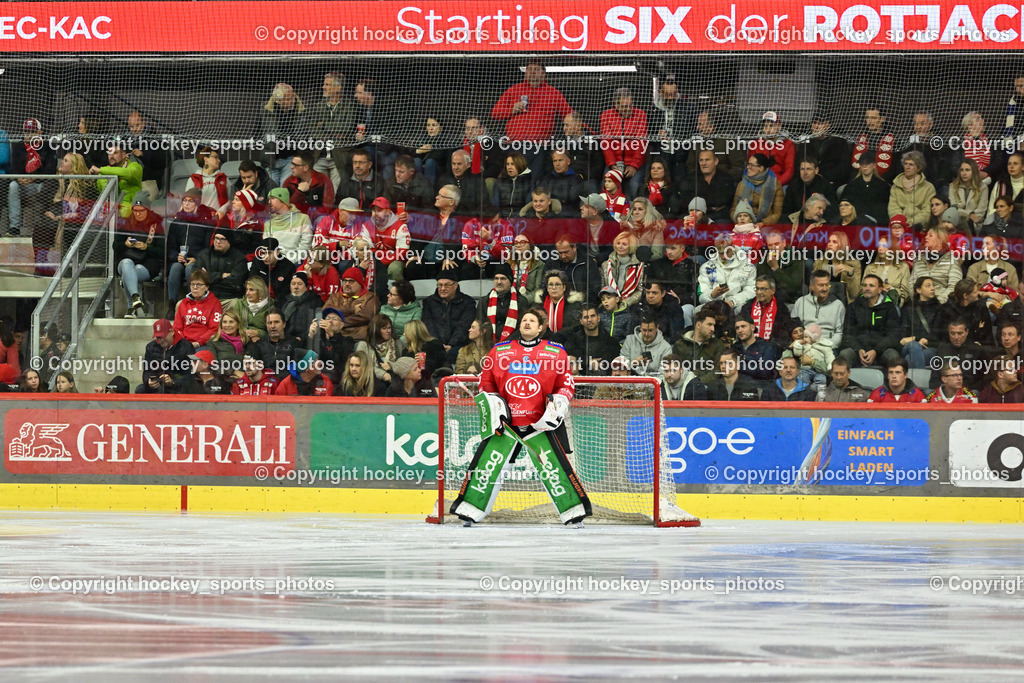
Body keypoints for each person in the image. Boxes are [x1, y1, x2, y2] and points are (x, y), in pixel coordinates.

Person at [449, 308, 589, 527]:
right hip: (507, 423)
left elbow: (566, 384)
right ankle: (470, 510)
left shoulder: (556, 352)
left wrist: (559, 404)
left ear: (541, 327)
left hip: (540, 423)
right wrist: (493, 406)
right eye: (524, 320)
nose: (527, 323)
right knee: (488, 467)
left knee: (554, 469)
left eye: (532, 321)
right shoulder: (499, 351)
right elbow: (486, 384)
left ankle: (573, 514)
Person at [490, 59, 571, 147]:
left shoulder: (553, 93)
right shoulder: (514, 90)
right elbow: (495, 113)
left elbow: (569, 116)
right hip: (514, 143)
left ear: (543, 74)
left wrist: (584, 131)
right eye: (529, 69)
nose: (532, 72)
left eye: (536, 69)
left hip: (541, 145)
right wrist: (512, 110)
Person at [838, 274, 902, 368]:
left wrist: (876, 351)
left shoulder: (889, 308)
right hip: (858, 350)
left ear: (880, 289)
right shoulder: (853, 307)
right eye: (865, 285)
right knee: (844, 355)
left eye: (871, 286)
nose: (867, 288)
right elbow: (848, 334)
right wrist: (858, 349)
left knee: (893, 357)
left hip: (882, 350)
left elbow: (894, 336)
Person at [599, 87, 649, 198]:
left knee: (634, 186)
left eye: (630, 105)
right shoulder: (606, 116)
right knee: (606, 186)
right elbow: (606, 143)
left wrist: (634, 166)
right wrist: (612, 164)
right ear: (616, 105)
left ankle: (632, 213)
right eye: (624, 106)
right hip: (614, 163)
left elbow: (641, 143)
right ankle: (608, 212)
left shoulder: (641, 115)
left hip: (635, 162)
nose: (628, 109)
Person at [422, 270, 477, 365]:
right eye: (440, 285)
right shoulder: (429, 302)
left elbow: (464, 326)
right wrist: (438, 345)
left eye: (447, 285)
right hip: (435, 344)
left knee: (453, 353)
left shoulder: (468, 302)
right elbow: (428, 325)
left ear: (455, 286)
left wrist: (451, 345)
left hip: (458, 344)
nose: (442, 288)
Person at [262, 83, 309, 186]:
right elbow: (257, 134)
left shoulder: (302, 111)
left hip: (290, 158)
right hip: (271, 159)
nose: (293, 100)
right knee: (271, 188)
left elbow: (306, 134)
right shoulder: (266, 112)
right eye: (288, 99)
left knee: (285, 186)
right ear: (278, 101)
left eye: (293, 96)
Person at [698, 233, 756, 311]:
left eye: (726, 252)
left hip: (737, 305)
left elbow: (751, 290)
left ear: (732, 247)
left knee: (741, 310)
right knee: (697, 310)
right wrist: (712, 295)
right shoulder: (707, 267)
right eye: (720, 253)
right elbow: (701, 294)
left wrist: (733, 301)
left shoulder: (748, 266)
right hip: (713, 305)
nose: (723, 257)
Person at [560, 303, 621, 375]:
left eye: (592, 316)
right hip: (579, 381)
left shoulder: (611, 342)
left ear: (598, 318)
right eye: (586, 317)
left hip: (604, 381)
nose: (589, 320)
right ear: (581, 321)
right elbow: (567, 361)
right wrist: (588, 363)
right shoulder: (573, 341)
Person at [323, 267, 380, 341]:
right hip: (335, 336)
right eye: (344, 281)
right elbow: (325, 311)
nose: (347, 284)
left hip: (357, 338)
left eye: (351, 281)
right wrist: (351, 309)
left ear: (360, 284)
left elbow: (366, 316)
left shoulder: (370, 297)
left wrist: (339, 322)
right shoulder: (335, 296)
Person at [193, 227, 248, 302]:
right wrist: (221, 275)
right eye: (216, 238)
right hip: (206, 297)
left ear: (229, 241)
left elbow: (235, 283)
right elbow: (196, 277)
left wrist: (207, 276)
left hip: (229, 299)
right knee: (180, 304)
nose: (218, 242)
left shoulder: (239, 258)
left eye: (222, 239)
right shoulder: (204, 255)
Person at [898, 276, 943, 369]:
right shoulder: (908, 308)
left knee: (908, 358)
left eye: (933, 286)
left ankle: (913, 382)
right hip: (909, 345)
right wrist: (917, 339)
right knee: (914, 346)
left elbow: (939, 334)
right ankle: (918, 382)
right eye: (928, 286)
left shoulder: (938, 309)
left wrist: (925, 341)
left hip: (929, 346)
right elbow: (902, 333)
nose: (932, 288)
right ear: (918, 290)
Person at [138, 319, 193, 394]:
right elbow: (147, 370)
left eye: (163, 336)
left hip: (178, 386)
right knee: (140, 389)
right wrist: (148, 381)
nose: (160, 340)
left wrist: (173, 381)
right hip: (158, 384)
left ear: (172, 332)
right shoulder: (150, 347)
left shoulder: (186, 346)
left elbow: (190, 374)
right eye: (158, 338)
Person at [90, 140, 143, 218]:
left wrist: (101, 170)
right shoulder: (103, 173)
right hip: (109, 215)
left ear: (124, 154)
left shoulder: (135, 166)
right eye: (109, 153)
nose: (111, 156)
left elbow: (128, 173)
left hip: (132, 214)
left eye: (115, 153)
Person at [672, 308, 725, 384]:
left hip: (708, 386)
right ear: (698, 325)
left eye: (714, 325)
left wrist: (698, 383)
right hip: (684, 385)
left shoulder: (717, 344)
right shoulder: (680, 344)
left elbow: (717, 370)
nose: (713, 329)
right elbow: (675, 368)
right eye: (709, 325)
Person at [740, 274, 795, 346]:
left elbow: (784, 335)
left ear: (773, 290)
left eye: (763, 289)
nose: (759, 292)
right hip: (750, 347)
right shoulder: (747, 307)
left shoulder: (781, 308)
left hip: (773, 347)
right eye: (757, 288)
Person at [911, 226, 962, 304]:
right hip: (919, 303)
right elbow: (912, 283)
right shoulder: (920, 259)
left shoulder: (951, 259)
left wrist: (938, 302)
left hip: (942, 305)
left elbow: (954, 286)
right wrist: (918, 300)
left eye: (930, 235)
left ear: (940, 240)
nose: (926, 237)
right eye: (926, 235)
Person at [263, 187, 313, 265]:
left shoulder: (303, 219)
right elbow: (267, 248)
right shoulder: (268, 224)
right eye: (268, 199)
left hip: (295, 262)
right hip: (274, 262)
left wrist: (287, 262)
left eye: (272, 198)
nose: (269, 202)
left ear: (283, 200)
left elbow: (305, 247)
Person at [173, 271, 221, 350]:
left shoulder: (215, 303)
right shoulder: (184, 303)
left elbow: (214, 329)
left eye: (199, 284)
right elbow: (177, 328)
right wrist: (183, 342)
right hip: (184, 343)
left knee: (194, 360)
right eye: (192, 284)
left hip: (204, 344)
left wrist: (199, 343)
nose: (195, 287)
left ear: (206, 287)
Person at [732, 153, 783, 228]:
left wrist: (762, 223)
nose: (748, 167)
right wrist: (740, 222)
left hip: (765, 225)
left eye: (752, 165)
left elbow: (777, 213)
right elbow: (734, 208)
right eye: (748, 164)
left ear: (761, 168)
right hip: (743, 224)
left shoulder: (775, 185)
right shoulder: (742, 184)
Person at [889, 151, 937, 228]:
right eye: (905, 164)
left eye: (911, 164)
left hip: (920, 227)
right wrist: (901, 222)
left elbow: (927, 211)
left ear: (918, 168)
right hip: (899, 226)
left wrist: (912, 222)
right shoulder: (895, 186)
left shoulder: (928, 187)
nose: (907, 167)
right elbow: (893, 208)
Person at [282, 151, 334, 222]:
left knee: (322, 219)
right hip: (295, 220)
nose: (291, 167)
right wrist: (299, 192)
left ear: (306, 168)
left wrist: (307, 217)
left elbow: (327, 208)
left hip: (315, 219)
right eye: (292, 164)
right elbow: (286, 209)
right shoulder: (289, 182)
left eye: (295, 165)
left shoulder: (323, 180)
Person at [842, 150, 891, 224]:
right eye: (862, 163)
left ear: (874, 165)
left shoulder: (883, 186)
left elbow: (884, 208)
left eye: (867, 163)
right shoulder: (851, 186)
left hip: (877, 223)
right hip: (855, 223)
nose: (864, 166)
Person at [812, 231, 862, 303]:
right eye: (829, 241)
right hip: (822, 301)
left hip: (843, 302)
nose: (830, 244)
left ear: (843, 245)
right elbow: (812, 289)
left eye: (834, 242)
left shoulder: (853, 263)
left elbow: (855, 294)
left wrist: (850, 274)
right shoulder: (819, 262)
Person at [356, 314, 406, 385]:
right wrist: (383, 374)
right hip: (370, 383)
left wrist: (391, 366)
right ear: (376, 330)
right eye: (384, 328)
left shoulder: (397, 343)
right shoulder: (364, 346)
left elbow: (403, 365)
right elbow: (360, 367)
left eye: (389, 328)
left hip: (391, 383)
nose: (388, 331)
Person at [252, 311, 303, 380]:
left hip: (288, 383)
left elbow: (300, 369)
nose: (272, 326)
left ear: (284, 324)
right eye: (269, 323)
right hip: (266, 384)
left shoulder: (294, 343)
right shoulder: (259, 344)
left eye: (276, 322)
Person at [864, 235, 911, 306]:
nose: (880, 249)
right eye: (879, 246)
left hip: (893, 305)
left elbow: (905, 292)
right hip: (872, 305)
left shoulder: (903, 267)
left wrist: (891, 290)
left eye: (884, 246)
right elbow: (862, 290)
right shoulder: (870, 268)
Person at [477, 264, 520, 343]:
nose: (499, 282)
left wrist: (505, 342)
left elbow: (520, 327)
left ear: (510, 282)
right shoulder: (484, 301)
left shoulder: (520, 301)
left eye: (503, 279)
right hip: (487, 343)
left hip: (512, 343)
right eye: (496, 278)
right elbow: (479, 324)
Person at [601, 231, 646, 308]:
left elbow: (641, 290)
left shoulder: (639, 266)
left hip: (631, 306)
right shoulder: (606, 265)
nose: (620, 246)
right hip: (609, 305)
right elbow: (603, 287)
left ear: (631, 246)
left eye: (624, 244)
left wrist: (626, 303)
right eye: (618, 243)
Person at [733, 314, 780, 385]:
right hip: (738, 387)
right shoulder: (735, 347)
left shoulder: (767, 346)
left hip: (761, 387)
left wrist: (739, 366)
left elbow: (765, 372)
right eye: (737, 328)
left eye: (743, 326)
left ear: (752, 327)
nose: (740, 330)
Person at [852, 107, 897, 180]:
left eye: (873, 118)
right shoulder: (859, 138)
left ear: (882, 119)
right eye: (867, 118)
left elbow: (893, 168)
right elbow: (854, 167)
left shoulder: (894, 140)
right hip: (859, 180)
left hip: (883, 181)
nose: (870, 121)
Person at [225, 278, 273, 344]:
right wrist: (247, 334)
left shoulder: (271, 308)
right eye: (247, 289)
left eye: (251, 290)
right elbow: (233, 324)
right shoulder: (239, 304)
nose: (247, 293)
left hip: (262, 342)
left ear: (260, 291)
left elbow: (273, 330)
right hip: (239, 338)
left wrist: (258, 333)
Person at [185, 147, 229, 217]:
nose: (219, 160)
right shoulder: (193, 179)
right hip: (199, 219)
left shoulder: (223, 179)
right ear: (206, 159)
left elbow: (231, 199)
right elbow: (188, 201)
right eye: (215, 157)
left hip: (219, 220)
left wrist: (222, 210)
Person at [280, 272, 323, 340]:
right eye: (293, 284)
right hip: (285, 339)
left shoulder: (315, 301)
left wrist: (302, 338)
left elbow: (318, 323)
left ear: (306, 287)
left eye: (299, 284)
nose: (296, 287)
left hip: (308, 339)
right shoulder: (283, 302)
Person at [949, 159, 989, 231]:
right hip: (956, 222)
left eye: (967, 170)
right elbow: (953, 209)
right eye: (962, 170)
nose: (964, 173)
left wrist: (967, 214)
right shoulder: (953, 186)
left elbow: (981, 212)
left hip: (974, 224)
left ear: (974, 172)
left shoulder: (983, 187)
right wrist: (970, 214)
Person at [492, 153, 534, 220]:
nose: (509, 167)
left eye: (512, 164)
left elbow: (527, 207)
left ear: (519, 164)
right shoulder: (499, 182)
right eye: (507, 164)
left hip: (521, 220)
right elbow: (495, 205)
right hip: (501, 220)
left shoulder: (529, 182)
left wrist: (515, 220)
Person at [206, 310, 245, 382]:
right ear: (221, 325)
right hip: (222, 380)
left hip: (243, 380)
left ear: (238, 325)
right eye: (224, 322)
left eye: (231, 322)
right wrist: (234, 372)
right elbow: (212, 366)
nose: (227, 325)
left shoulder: (245, 341)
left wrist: (244, 376)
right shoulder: (213, 342)